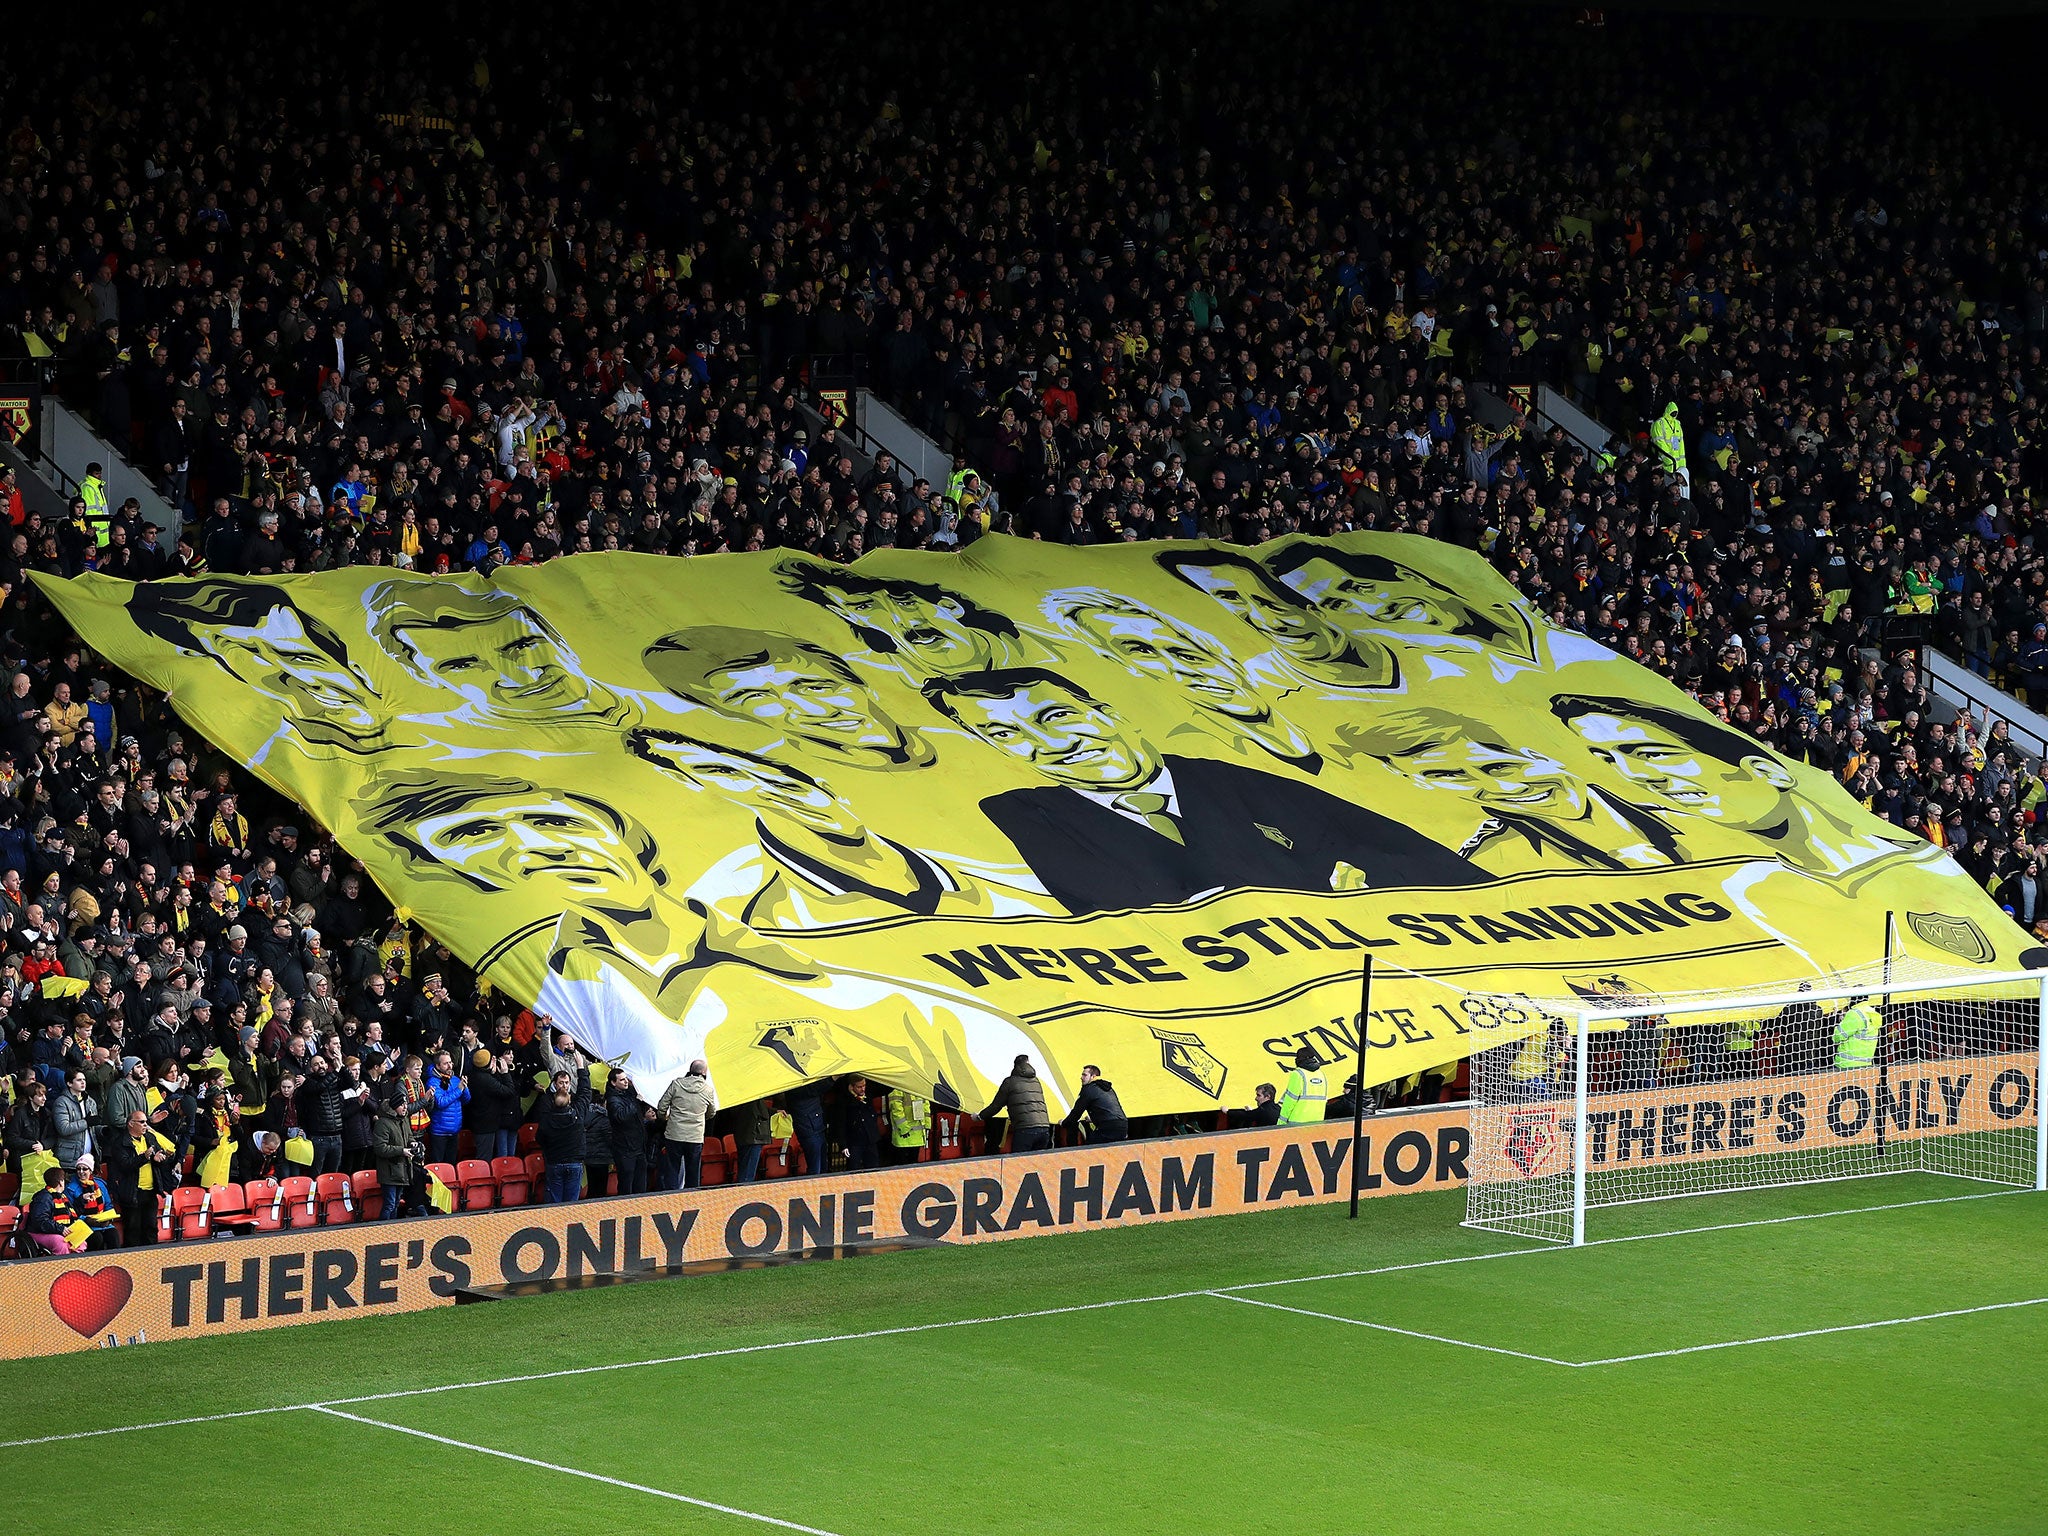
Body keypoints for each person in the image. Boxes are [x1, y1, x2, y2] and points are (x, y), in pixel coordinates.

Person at [925, 667, 1487, 914]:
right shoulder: (1020, 814)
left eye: (1054, 717)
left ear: (1106, 711)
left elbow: (1401, 851)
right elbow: (1116, 909)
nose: (1049, 745)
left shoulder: (1227, 778)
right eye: (1004, 734)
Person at [107, 1108, 176, 1244]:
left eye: (146, 1122)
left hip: (150, 1192)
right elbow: (125, 1166)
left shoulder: (150, 1137)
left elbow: (159, 1158)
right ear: (131, 1124)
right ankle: (133, 1262)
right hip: (132, 1192)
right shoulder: (120, 1143)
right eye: (142, 1122)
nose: (146, 1125)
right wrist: (144, 1157)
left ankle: (152, 1259)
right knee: (133, 1230)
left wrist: (161, 1158)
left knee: (151, 1228)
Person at [655, 1059, 716, 1189]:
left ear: (690, 1070)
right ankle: (691, 1201)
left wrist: (666, 1119)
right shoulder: (708, 1090)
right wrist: (699, 1119)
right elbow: (712, 1113)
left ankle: (670, 1199)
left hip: (674, 1135)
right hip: (695, 1137)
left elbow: (661, 1107)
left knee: (672, 1169)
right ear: (704, 1072)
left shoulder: (676, 1084)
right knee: (693, 1172)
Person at [532, 1078, 588, 1204]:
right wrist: (580, 1068)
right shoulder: (577, 1116)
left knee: (554, 1202)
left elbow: (539, 1139)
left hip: (554, 1162)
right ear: (569, 1101)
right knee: (572, 1203)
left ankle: (554, 1223)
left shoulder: (546, 1120)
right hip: (574, 1162)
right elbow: (585, 1093)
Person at [981, 1055, 1052, 1153]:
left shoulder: (1010, 1082)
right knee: (1036, 1165)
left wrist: (980, 1116)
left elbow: (996, 1106)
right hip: (1044, 1129)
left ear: (1015, 1066)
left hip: (1025, 1129)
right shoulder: (1036, 1081)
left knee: (1019, 1164)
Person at [371, 1086, 419, 1219]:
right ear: (394, 1107)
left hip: (402, 1170)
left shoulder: (403, 1120)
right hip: (389, 1171)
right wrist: (401, 1151)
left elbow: (409, 1136)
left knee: (396, 1203)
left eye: (406, 1104)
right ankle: (382, 1230)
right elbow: (380, 1148)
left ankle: (393, 1231)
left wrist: (412, 1143)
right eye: (402, 1105)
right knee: (389, 1204)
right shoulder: (383, 1123)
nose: (405, 1107)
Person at [606, 1067, 653, 1196]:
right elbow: (620, 1116)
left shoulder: (630, 1093)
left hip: (638, 1147)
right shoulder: (612, 1099)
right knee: (626, 1185)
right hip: (625, 1149)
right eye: (622, 1080)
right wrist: (635, 1101)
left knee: (641, 1185)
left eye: (626, 1078)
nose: (626, 1082)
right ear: (613, 1083)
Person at [423, 1049, 469, 1169]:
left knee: (451, 1165)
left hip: (454, 1129)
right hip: (439, 1131)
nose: (450, 1066)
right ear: (437, 1066)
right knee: (438, 1165)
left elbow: (466, 1100)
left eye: (451, 1062)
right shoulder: (432, 1081)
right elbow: (440, 1102)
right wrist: (459, 1090)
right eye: (446, 1063)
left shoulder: (455, 1079)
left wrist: (465, 1087)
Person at [65, 1155, 122, 1250]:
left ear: (90, 1171)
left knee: (113, 1236)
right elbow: (70, 1210)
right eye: (78, 1169)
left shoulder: (100, 1184)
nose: (81, 1172)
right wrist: (86, 1219)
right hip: (83, 1224)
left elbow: (108, 1205)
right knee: (97, 1238)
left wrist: (109, 1218)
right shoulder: (70, 1188)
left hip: (102, 1222)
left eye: (85, 1169)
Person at [21, 1167, 81, 1256]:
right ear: (60, 1182)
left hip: (57, 1230)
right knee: (61, 1243)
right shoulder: (43, 1198)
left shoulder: (63, 1197)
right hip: (38, 1232)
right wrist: (60, 1228)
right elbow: (40, 1221)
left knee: (81, 1242)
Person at [1061, 1065, 1128, 1143]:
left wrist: (1064, 1123)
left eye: (1084, 1075)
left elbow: (1076, 1113)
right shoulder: (1107, 1088)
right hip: (1122, 1125)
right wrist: (1094, 1118)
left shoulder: (1088, 1089)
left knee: (1089, 1148)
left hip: (1108, 1126)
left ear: (1093, 1076)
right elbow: (1108, 1109)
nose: (1081, 1077)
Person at [836, 1075, 880, 1170]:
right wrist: (843, 1145)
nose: (863, 1089)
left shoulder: (868, 1095)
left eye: (864, 1085)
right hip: (854, 1142)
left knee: (873, 1169)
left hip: (870, 1139)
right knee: (854, 1171)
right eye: (859, 1087)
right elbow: (840, 1124)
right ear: (851, 1087)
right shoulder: (844, 1100)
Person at [1276, 1048, 1328, 1125]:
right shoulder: (1321, 1074)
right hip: (1317, 1122)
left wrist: (1281, 1122)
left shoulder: (1298, 1074)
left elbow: (1289, 1101)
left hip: (1297, 1123)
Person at [885, 1086, 931, 1164]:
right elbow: (896, 1110)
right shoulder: (897, 1088)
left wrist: (927, 1125)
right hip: (903, 1136)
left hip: (916, 1135)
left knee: (912, 1164)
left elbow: (926, 1107)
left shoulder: (920, 1087)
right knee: (903, 1165)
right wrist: (904, 1129)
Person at [1834, 996, 1881, 1070]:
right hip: (1866, 1064)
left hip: (1846, 1064)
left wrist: (1841, 1022)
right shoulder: (1872, 1013)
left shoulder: (1854, 1014)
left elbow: (1837, 1036)